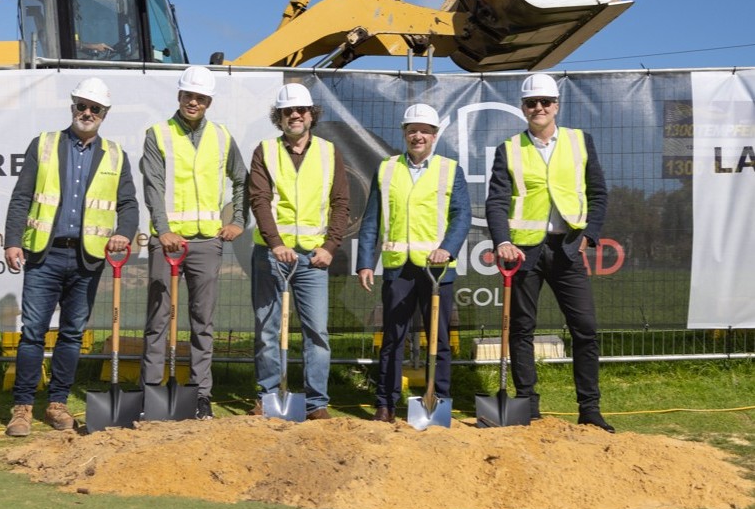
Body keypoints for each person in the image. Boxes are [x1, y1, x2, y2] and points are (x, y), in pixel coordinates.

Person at [3, 77, 139, 437]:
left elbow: (128, 203)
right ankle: (22, 408)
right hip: (43, 256)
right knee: (32, 333)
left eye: (95, 109)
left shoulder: (115, 154)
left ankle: (57, 404)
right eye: (82, 106)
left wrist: (124, 232)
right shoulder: (45, 144)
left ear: (104, 114)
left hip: (86, 259)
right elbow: (21, 196)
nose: (88, 113)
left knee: (73, 333)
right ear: (72, 107)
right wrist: (12, 241)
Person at [485, 73, 613, 432]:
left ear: (556, 105)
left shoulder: (579, 142)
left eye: (545, 102)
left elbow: (598, 193)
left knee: (585, 328)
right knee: (521, 329)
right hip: (523, 252)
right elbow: (496, 202)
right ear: (522, 109)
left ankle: (589, 408)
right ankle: (527, 405)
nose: (538, 108)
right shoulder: (508, 149)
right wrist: (501, 241)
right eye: (531, 103)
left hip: (568, 249)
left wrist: (589, 235)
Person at [139, 65, 248, 420]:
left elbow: (241, 181)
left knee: (203, 320)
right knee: (159, 318)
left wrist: (237, 221)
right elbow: (153, 186)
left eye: (201, 97)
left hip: (206, 243)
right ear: (179, 96)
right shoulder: (158, 134)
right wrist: (163, 229)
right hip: (167, 243)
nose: (194, 102)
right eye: (189, 95)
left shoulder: (222, 136)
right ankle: (151, 393)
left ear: (209, 101)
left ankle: (201, 395)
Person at [355, 103, 471, 423]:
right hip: (398, 268)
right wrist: (366, 261)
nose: (417, 136)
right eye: (412, 130)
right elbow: (372, 219)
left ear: (435, 136)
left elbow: (462, 216)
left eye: (424, 131)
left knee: (439, 338)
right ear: (404, 134)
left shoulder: (450, 169)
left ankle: (439, 399)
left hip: (437, 270)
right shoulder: (387, 168)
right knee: (393, 337)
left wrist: (447, 248)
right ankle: (385, 404)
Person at [248, 83, 350, 420]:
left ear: (311, 115)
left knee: (317, 333)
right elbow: (259, 200)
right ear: (279, 116)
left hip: (312, 259)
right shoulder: (265, 150)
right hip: (271, 256)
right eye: (288, 111)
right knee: (267, 329)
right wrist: (275, 242)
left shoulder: (328, 151)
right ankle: (268, 395)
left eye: (301, 110)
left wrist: (330, 246)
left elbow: (340, 203)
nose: (295, 115)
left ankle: (316, 402)